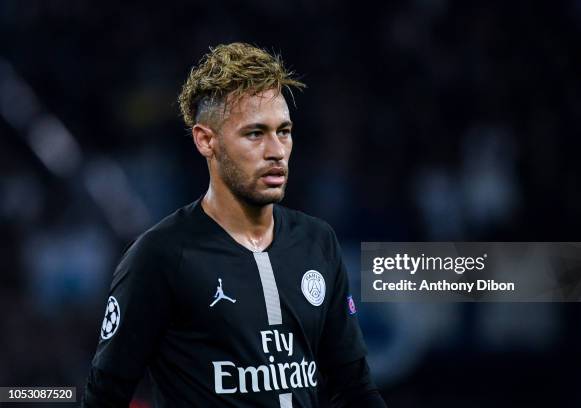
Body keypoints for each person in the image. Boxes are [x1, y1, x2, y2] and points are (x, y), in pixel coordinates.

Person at [83, 42, 386, 407]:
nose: (276, 151)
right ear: (206, 141)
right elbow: (104, 397)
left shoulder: (317, 242)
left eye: (284, 131)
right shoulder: (160, 256)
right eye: (255, 134)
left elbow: (354, 387)